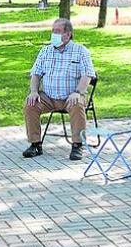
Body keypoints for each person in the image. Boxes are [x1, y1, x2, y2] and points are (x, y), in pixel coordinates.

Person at [22, 18, 96, 161]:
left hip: (71, 96)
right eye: (53, 31)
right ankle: (35, 144)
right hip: (48, 97)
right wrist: (34, 91)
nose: (53, 35)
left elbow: (87, 75)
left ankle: (77, 145)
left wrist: (78, 92)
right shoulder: (45, 51)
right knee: (30, 104)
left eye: (57, 32)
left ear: (68, 35)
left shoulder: (80, 51)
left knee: (77, 104)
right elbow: (36, 73)